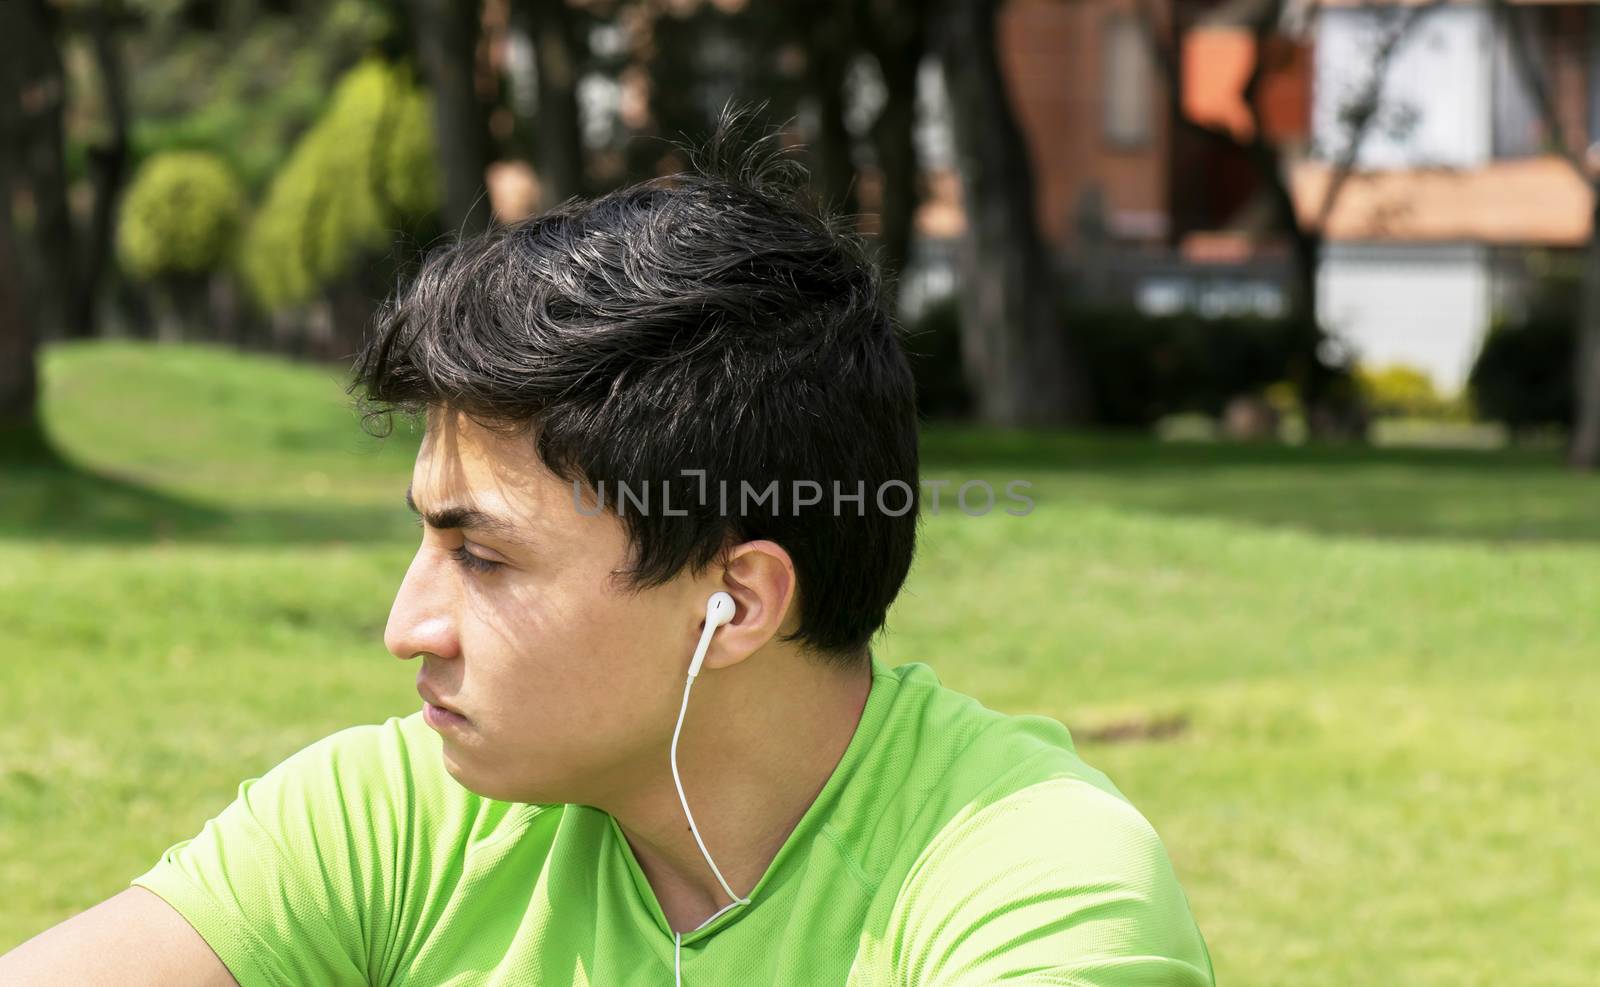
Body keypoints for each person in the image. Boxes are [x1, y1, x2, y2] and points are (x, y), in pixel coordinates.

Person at [0, 106, 1213, 986]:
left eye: (482, 556)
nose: (405, 627)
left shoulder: (1036, 891)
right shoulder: (396, 817)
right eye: (427, 542)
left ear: (733, 604)